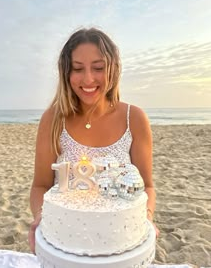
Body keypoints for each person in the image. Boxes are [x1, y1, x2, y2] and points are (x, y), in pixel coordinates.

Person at [28, 27, 159, 253]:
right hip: (67, 247)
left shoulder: (135, 118)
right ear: (66, 73)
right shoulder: (53, 119)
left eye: (98, 68)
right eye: (78, 69)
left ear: (114, 69)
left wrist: (144, 218)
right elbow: (40, 185)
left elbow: (146, 186)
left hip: (120, 248)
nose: (88, 79)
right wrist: (41, 218)